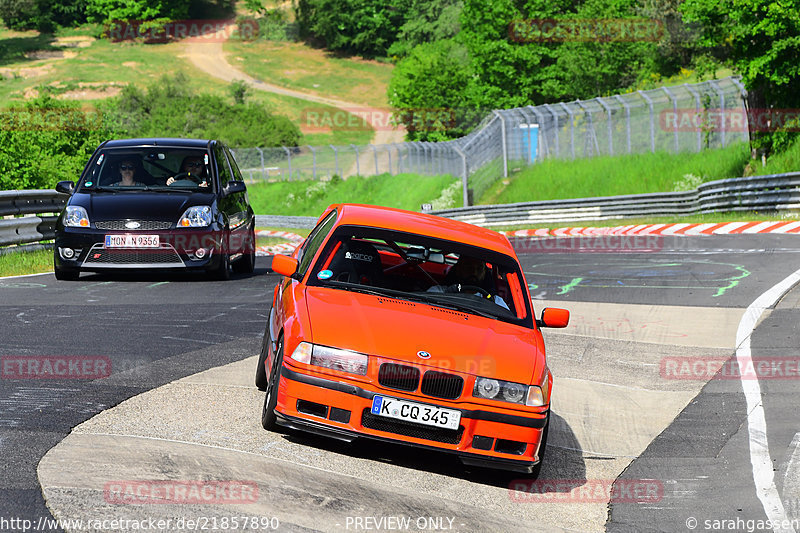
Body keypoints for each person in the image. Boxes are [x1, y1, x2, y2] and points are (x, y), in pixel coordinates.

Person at [428, 254, 509, 310]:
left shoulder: (495, 301)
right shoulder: (438, 292)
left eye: (479, 268)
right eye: (468, 266)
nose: (474, 272)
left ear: (485, 273)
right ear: (458, 269)